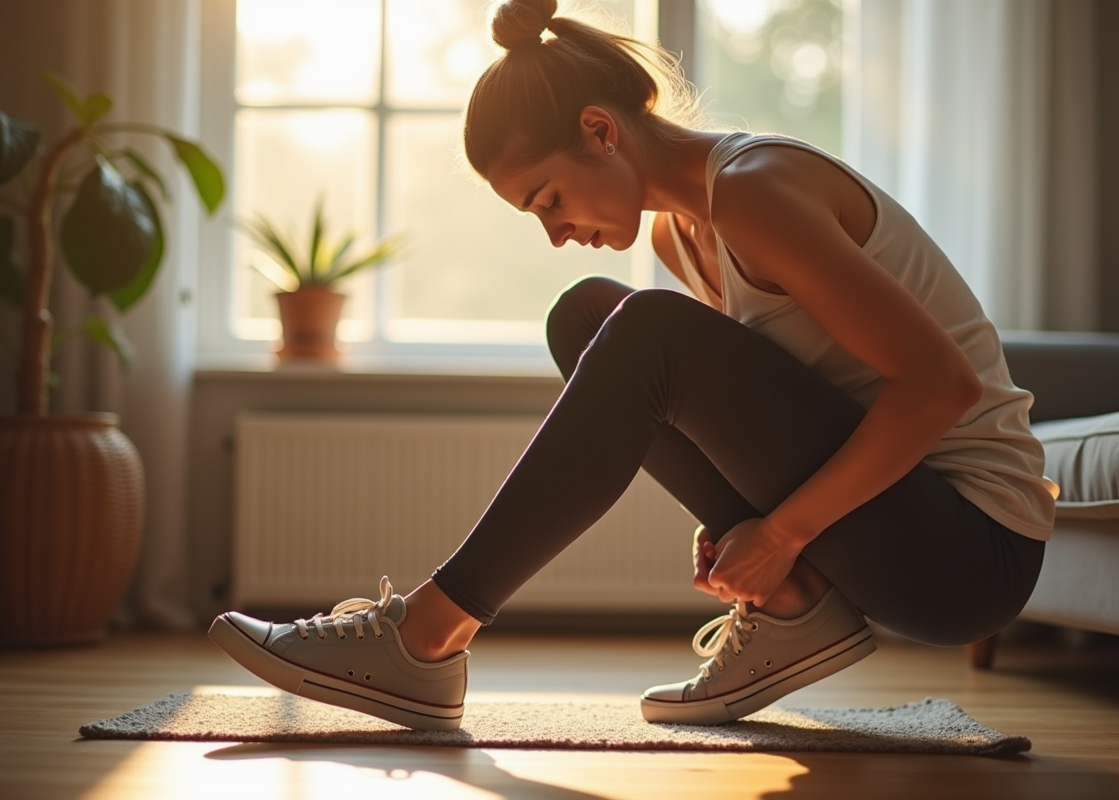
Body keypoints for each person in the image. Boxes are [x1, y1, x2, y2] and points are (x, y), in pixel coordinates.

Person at [209, 0, 1056, 731]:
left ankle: (426, 635)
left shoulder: (756, 187)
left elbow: (942, 388)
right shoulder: (679, 233)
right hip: (896, 523)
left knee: (644, 330)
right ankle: (795, 608)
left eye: (548, 199)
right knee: (589, 317)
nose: (552, 230)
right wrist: (740, 518)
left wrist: (784, 529)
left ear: (599, 130)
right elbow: (788, 392)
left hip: (972, 550)